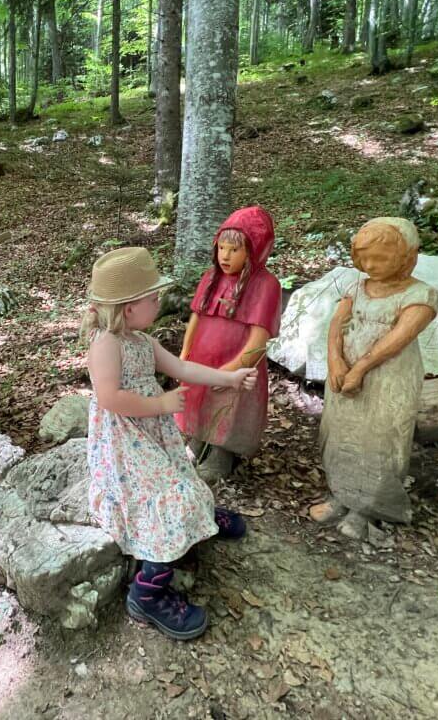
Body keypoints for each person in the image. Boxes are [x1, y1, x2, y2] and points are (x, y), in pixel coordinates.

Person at [82, 247, 256, 640]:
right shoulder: (106, 344)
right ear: (128, 307)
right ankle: (147, 593)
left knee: (183, 478)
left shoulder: (141, 340)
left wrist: (228, 378)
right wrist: (159, 403)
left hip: (150, 434)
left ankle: (202, 517)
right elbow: (109, 398)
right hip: (125, 441)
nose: (159, 302)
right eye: (153, 297)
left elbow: (181, 367)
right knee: (165, 500)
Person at [311, 217, 438, 541]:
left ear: (408, 256)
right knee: (341, 436)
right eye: (364, 257)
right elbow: (336, 325)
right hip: (344, 377)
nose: (370, 265)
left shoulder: (420, 295)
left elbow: (398, 338)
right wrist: (336, 361)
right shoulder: (356, 286)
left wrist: (360, 369)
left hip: (387, 382)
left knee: (378, 441)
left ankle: (368, 508)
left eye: (380, 258)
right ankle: (341, 495)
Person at [177, 207, 282, 481]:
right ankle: (198, 440)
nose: (225, 255)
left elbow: (259, 338)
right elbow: (196, 318)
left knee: (228, 403)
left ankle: (222, 452)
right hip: (202, 357)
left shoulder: (265, 284)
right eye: (221, 248)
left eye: (234, 250)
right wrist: (185, 353)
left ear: (253, 250)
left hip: (236, 362)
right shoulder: (211, 278)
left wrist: (234, 368)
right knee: (199, 397)